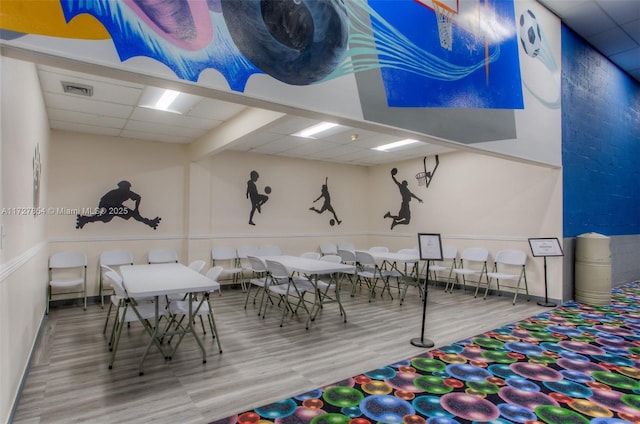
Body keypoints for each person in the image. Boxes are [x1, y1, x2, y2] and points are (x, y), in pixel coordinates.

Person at [76, 180, 161, 229]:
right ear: (120, 187)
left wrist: (136, 209)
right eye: (125, 187)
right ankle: (84, 220)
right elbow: (103, 200)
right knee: (103, 218)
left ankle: (149, 222)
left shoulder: (128, 192)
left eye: (128, 187)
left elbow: (138, 198)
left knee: (133, 214)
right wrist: (102, 211)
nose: (127, 189)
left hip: (116, 207)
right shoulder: (114, 193)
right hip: (107, 206)